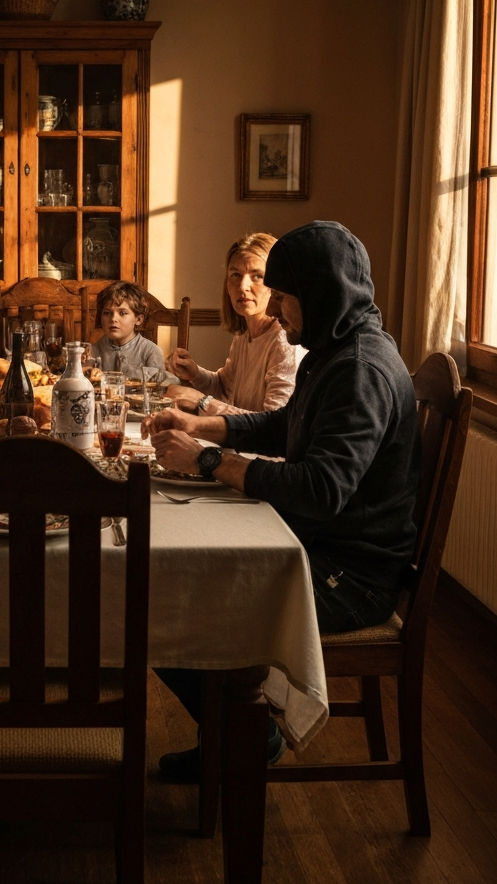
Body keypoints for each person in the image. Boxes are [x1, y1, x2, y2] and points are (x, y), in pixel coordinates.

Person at [144, 221, 419, 778]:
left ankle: (248, 734)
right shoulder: (336, 346)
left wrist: (205, 460)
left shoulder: (360, 370)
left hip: (351, 574)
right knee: (177, 582)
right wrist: (206, 427)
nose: (278, 310)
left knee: (175, 598)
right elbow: (288, 424)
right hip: (323, 545)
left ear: (320, 292)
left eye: (285, 296)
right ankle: (229, 727)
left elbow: (320, 490)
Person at [166, 232, 303, 416]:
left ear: (276, 283)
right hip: (237, 445)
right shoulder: (244, 335)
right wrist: (194, 374)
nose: (243, 286)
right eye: (236, 275)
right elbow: (224, 388)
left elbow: (274, 426)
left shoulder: (284, 341)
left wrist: (201, 402)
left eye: (257, 276)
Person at [91, 281, 165, 375]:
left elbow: (158, 387)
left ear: (138, 319)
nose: (113, 319)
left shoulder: (151, 352)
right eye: (107, 313)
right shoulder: (94, 350)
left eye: (122, 313)